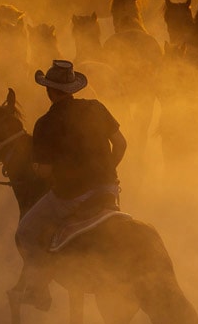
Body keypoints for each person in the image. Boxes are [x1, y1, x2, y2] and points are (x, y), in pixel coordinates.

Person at [11, 59, 127, 311]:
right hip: (109, 190)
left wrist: (39, 170)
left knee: (26, 232)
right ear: (73, 88)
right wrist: (107, 171)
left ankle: (38, 290)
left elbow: (45, 170)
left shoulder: (45, 123)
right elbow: (121, 144)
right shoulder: (97, 107)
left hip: (71, 196)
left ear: (49, 91)